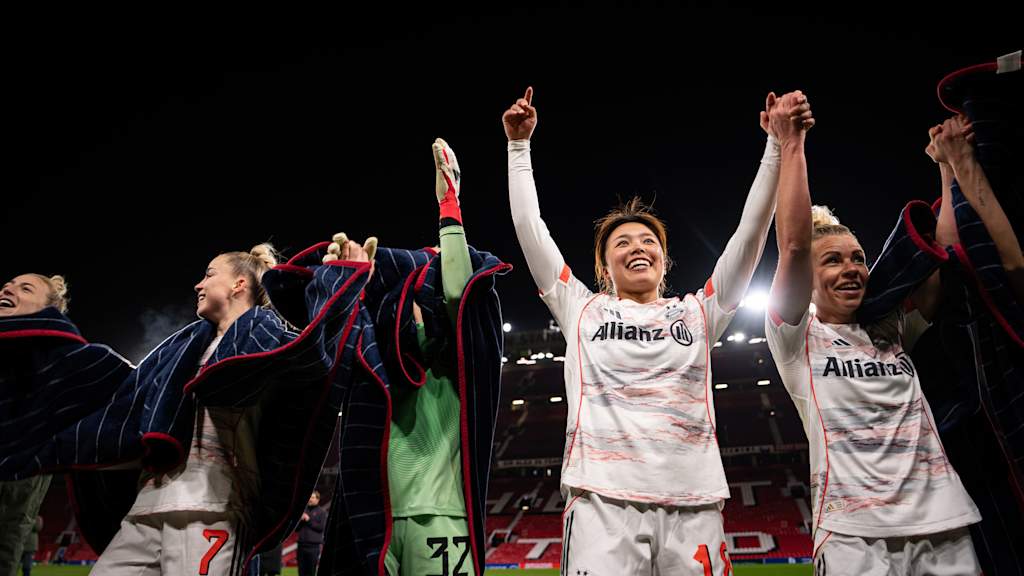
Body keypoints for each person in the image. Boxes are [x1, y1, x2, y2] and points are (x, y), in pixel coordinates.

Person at [503, 86, 797, 574]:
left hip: (695, 501)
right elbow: (529, 226)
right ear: (604, 265)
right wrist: (518, 148)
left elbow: (749, 236)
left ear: (664, 259)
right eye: (622, 242)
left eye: (648, 240)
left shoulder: (696, 314)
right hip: (602, 501)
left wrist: (773, 147)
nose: (637, 246)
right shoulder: (581, 308)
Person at [764, 93, 982, 573]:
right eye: (834, 260)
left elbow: (941, 258)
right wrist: (792, 144)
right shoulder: (796, 338)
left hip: (943, 519)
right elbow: (796, 245)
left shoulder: (889, 327)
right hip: (852, 534)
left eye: (858, 258)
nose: (850, 269)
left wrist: (946, 169)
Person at [0, 274, 67, 576]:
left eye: (25, 288)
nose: (7, 288)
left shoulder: (52, 367)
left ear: (48, 311)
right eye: (8, 285)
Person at [296, 491, 326, 576]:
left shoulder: (322, 512)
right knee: (301, 571)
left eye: (312, 497)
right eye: (309, 497)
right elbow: (296, 530)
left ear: (318, 499)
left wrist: (308, 520)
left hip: (313, 547)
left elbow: (321, 528)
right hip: (301, 545)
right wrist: (299, 521)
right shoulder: (303, 511)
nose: (310, 499)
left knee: (311, 571)